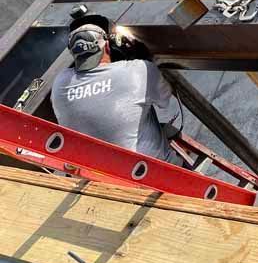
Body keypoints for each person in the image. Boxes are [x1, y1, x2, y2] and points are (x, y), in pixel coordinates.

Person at [51, 10, 181, 162]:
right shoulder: (137, 70)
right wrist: (145, 61)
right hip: (153, 172)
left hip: (101, 178)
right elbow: (164, 99)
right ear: (108, 46)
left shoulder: (60, 83)